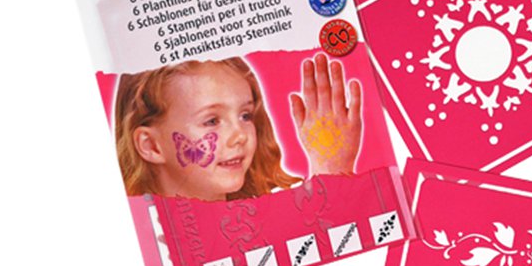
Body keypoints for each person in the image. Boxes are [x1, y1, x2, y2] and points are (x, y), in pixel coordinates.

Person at [115, 53, 362, 201]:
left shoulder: (267, 221)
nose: (240, 136)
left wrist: (331, 170)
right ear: (151, 145)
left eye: (245, 115)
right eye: (212, 121)